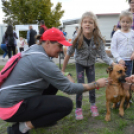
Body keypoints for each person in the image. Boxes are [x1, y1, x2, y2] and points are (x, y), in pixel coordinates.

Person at [0, 28, 111, 134]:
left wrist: (67, 75)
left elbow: (57, 76)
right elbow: (69, 88)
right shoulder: (40, 60)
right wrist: (96, 84)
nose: (61, 49)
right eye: (59, 45)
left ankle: (39, 118)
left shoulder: (35, 50)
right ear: (48, 43)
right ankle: (20, 128)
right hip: (11, 109)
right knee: (65, 105)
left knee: (53, 84)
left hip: (9, 101)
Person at [62, 11, 115, 120]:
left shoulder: (98, 39)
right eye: (85, 22)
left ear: (94, 25)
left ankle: (93, 105)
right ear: (81, 24)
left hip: (91, 64)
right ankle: (78, 108)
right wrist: (63, 69)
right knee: (80, 86)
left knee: (93, 85)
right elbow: (68, 53)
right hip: (79, 64)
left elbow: (103, 55)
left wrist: (113, 63)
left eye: (90, 22)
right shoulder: (77, 37)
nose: (87, 24)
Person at [111, 11, 134, 77]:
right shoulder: (117, 34)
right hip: (120, 61)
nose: (125, 24)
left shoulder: (133, 33)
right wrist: (119, 59)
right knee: (120, 79)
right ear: (120, 22)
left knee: (128, 78)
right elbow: (113, 48)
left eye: (127, 22)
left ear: (131, 23)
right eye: (123, 21)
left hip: (130, 61)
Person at [117, 0, 134, 74]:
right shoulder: (125, 13)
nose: (133, 4)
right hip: (125, 46)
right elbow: (118, 27)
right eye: (132, 2)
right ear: (129, 3)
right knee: (122, 74)